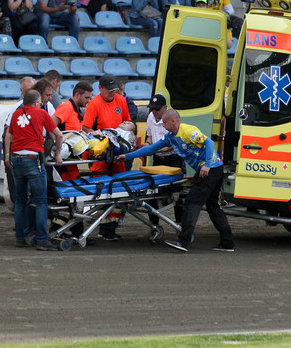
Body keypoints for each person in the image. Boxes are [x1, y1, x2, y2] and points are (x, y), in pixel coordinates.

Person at [115, 109, 235, 253]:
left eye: (165, 123)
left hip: (210, 169)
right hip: (211, 169)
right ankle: (227, 243)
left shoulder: (188, 131)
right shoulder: (171, 137)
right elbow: (151, 149)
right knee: (212, 206)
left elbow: (208, 143)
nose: (163, 126)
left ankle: (183, 241)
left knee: (191, 203)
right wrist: (127, 156)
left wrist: (207, 164)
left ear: (174, 121)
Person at [5, 89, 63, 250]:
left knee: (21, 200)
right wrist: (58, 154)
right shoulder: (42, 113)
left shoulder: (16, 114)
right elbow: (58, 135)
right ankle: (42, 239)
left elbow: (10, 135)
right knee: (41, 201)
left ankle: (20, 237)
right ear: (37, 103)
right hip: (32, 159)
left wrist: (9, 155)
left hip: (16, 158)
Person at [82, 74, 131, 241]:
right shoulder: (94, 104)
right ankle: (101, 226)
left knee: (120, 189)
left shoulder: (121, 101)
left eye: (114, 91)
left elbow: (128, 121)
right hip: (101, 155)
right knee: (101, 191)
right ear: (100, 89)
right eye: (109, 91)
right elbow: (86, 127)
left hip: (118, 153)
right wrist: (99, 135)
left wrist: (128, 127)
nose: (112, 94)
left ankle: (110, 228)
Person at [144, 94, 186, 230]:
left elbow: (173, 144)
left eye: (156, 109)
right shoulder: (151, 117)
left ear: (165, 108)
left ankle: (179, 223)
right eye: (152, 109)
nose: (153, 112)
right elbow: (150, 135)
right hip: (158, 158)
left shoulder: (172, 120)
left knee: (178, 193)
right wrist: (147, 144)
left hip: (172, 158)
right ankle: (154, 225)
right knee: (151, 192)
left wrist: (155, 149)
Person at [4, 76, 37, 205]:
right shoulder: (17, 108)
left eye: (32, 89)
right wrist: (8, 154)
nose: (29, 93)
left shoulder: (46, 106)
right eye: (27, 90)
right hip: (19, 148)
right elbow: (8, 133)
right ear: (21, 91)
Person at [51, 81, 93, 180]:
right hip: (62, 157)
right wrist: (57, 146)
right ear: (77, 95)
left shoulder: (76, 109)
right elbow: (50, 124)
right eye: (87, 97)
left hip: (69, 157)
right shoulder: (66, 108)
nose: (89, 100)